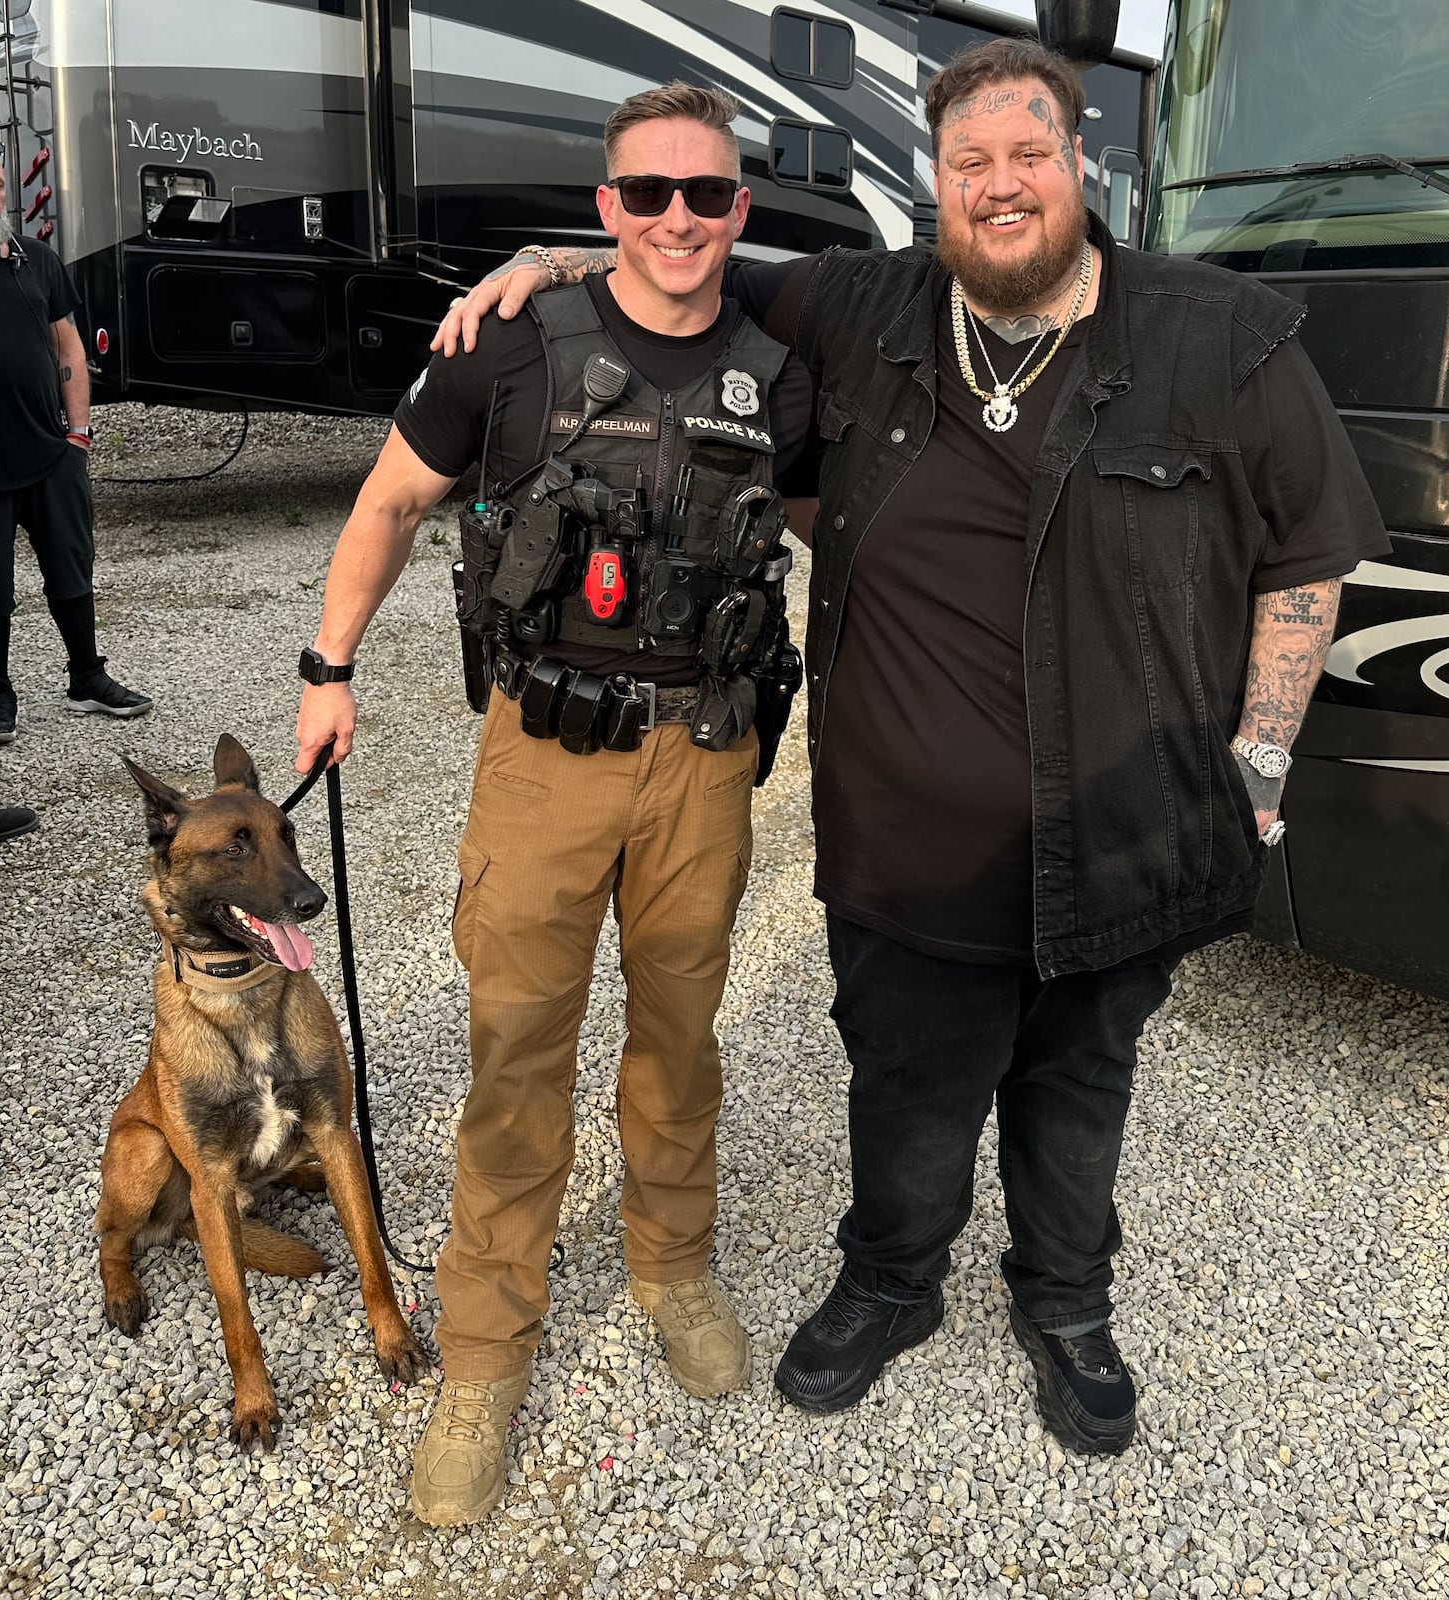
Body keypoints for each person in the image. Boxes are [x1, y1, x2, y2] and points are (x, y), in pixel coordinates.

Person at [435, 38, 1391, 1457]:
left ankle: (1066, 1302)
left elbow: (1308, 563)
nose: (1001, 187)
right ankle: (891, 1282)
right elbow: (678, 262)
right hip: (908, 831)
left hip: (1125, 826)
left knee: (1077, 1088)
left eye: (1030, 155)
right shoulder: (869, 304)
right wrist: (549, 258)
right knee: (907, 1085)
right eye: (969, 165)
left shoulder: (1217, 337)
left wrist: (1256, 764)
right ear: (935, 184)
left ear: (1083, 164)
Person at [294, 83, 812, 1526]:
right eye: (646, 194)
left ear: (738, 209)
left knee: (678, 1033)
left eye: (705, 195)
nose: (677, 220)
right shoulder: (510, 343)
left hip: (703, 759)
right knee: (517, 1048)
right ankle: (484, 1350)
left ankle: (670, 1261)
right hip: (544, 759)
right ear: (605, 207)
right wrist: (325, 668)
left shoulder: (779, 369)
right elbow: (391, 505)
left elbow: (853, 535)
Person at [0, 159, 151, 742]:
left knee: (71, 567)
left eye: (0, 183)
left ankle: (87, 678)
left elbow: (68, 341)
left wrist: (79, 435)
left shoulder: (35, 261)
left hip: (50, 450)